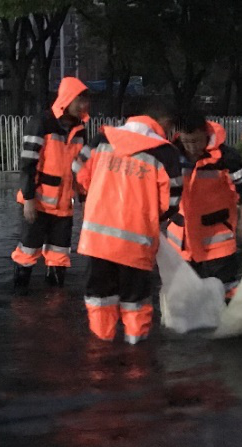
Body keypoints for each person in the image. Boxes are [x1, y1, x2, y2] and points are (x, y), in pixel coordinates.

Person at [76, 104, 183, 344]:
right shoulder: (165, 152)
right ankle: (135, 352)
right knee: (135, 303)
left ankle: (101, 348)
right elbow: (172, 200)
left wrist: (96, 194)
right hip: (137, 242)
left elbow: (78, 170)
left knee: (100, 300)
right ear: (164, 122)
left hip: (97, 239)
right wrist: (153, 217)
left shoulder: (102, 138)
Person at [11, 77, 90, 291]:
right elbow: (28, 164)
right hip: (37, 203)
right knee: (27, 253)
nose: (83, 105)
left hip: (63, 207)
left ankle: (55, 302)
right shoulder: (41, 123)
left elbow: (81, 169)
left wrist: (84, 199)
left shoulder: (80, 129)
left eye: (85, 101)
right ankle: (20, 298)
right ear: (67, 99)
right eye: (79, 100)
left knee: (59, 256)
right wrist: (29, 199)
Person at [166, 112, 242, 302]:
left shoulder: (227, 158)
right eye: (187, 141)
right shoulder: (172, 155)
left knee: (224, 291)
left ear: (206, 134)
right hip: (181, 241)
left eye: (196, 141)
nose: (192, 147)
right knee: (185, 295)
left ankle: (226, 319)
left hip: (217, 240)